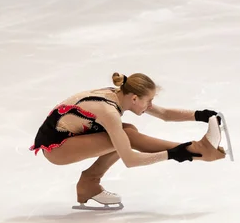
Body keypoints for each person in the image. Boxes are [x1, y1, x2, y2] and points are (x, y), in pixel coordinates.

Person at [29, 72, 226, 208]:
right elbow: (130, 160)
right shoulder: (108, 112)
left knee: (127, 132)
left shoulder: (121, 95)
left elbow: (165, 114)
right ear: (134, 99)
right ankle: (199, 150)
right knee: (127, 136)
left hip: (71, 137)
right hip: (57, 149)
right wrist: (173, 154)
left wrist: (201, 115)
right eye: (148, 101)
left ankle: (89, 183)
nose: (150, 106)